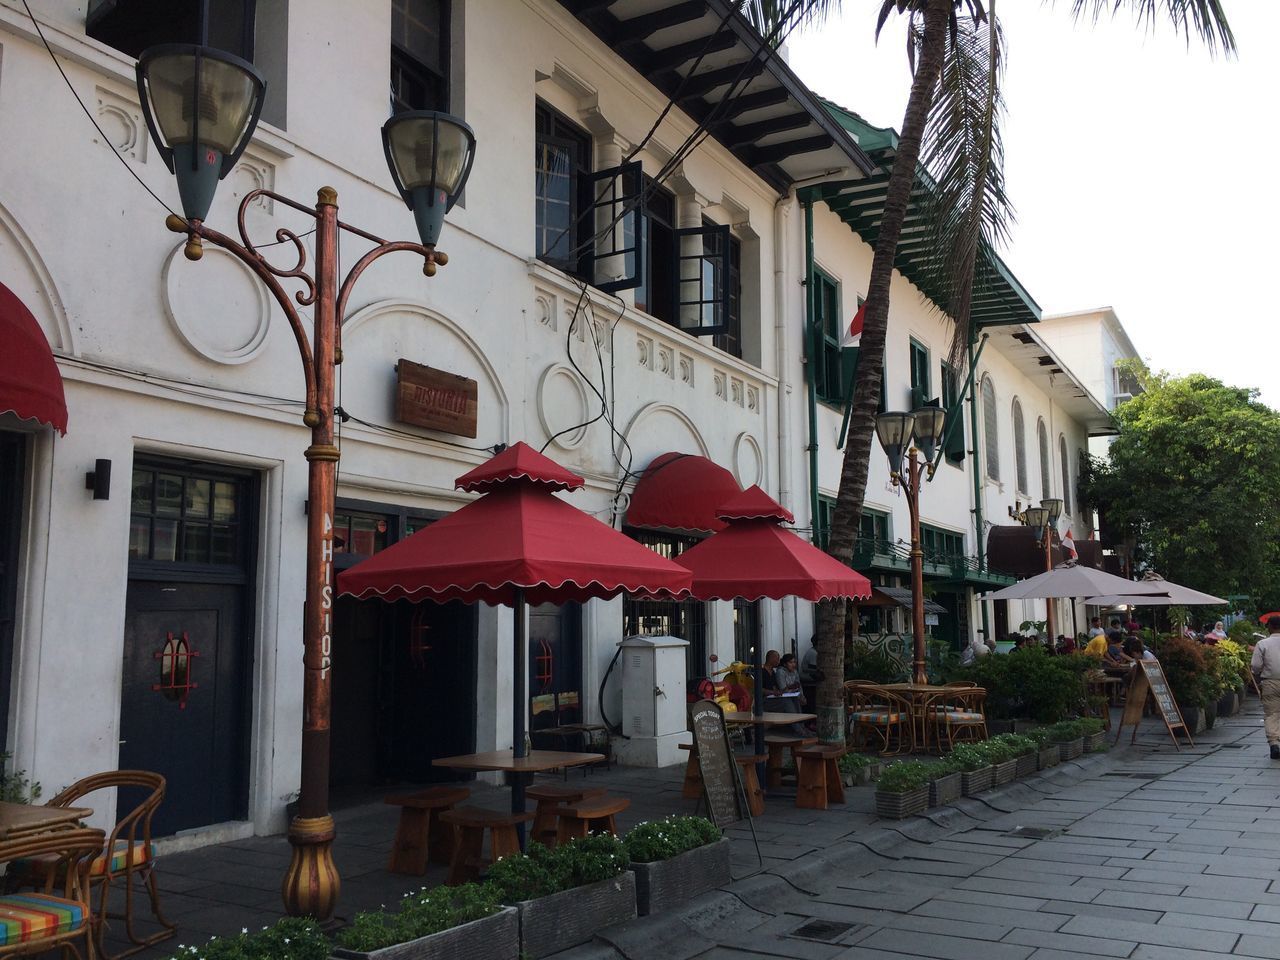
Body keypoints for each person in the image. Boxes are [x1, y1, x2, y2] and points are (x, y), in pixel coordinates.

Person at [1251, 616, 1280, 760]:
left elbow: (1255, 666)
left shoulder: (1262, 643)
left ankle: (1274, 743)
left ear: (1271, 626)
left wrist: (1258, 675)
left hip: (1270, 682)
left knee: (1271, 714)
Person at [773, 653, 809, 735]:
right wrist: (792, 689)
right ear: (785, 664)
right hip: (783, 697)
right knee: (790, 701)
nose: (793, 665)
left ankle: (802, 726)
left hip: (793, 695)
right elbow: (783, 688)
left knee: (798, 699)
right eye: (790, 662)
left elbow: (799, 686)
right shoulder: (780, 672)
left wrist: (802, 696)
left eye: (794, 662)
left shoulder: (795, 672)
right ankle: (798, 729)